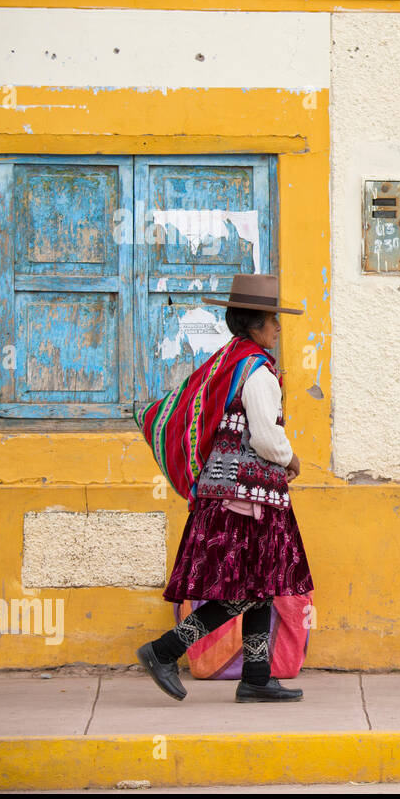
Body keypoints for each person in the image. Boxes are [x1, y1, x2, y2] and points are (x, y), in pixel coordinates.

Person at [135, 274, 313, 703]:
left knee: (260, 585)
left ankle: (255, 676)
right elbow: (266, 439)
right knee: (244, 591)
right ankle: (164, 650)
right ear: (256, 323)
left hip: (229, 494)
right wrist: (291, 459)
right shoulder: (258, 372)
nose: (278, 327)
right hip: (245, 499)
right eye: (273, 319)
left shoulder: (230, 360)